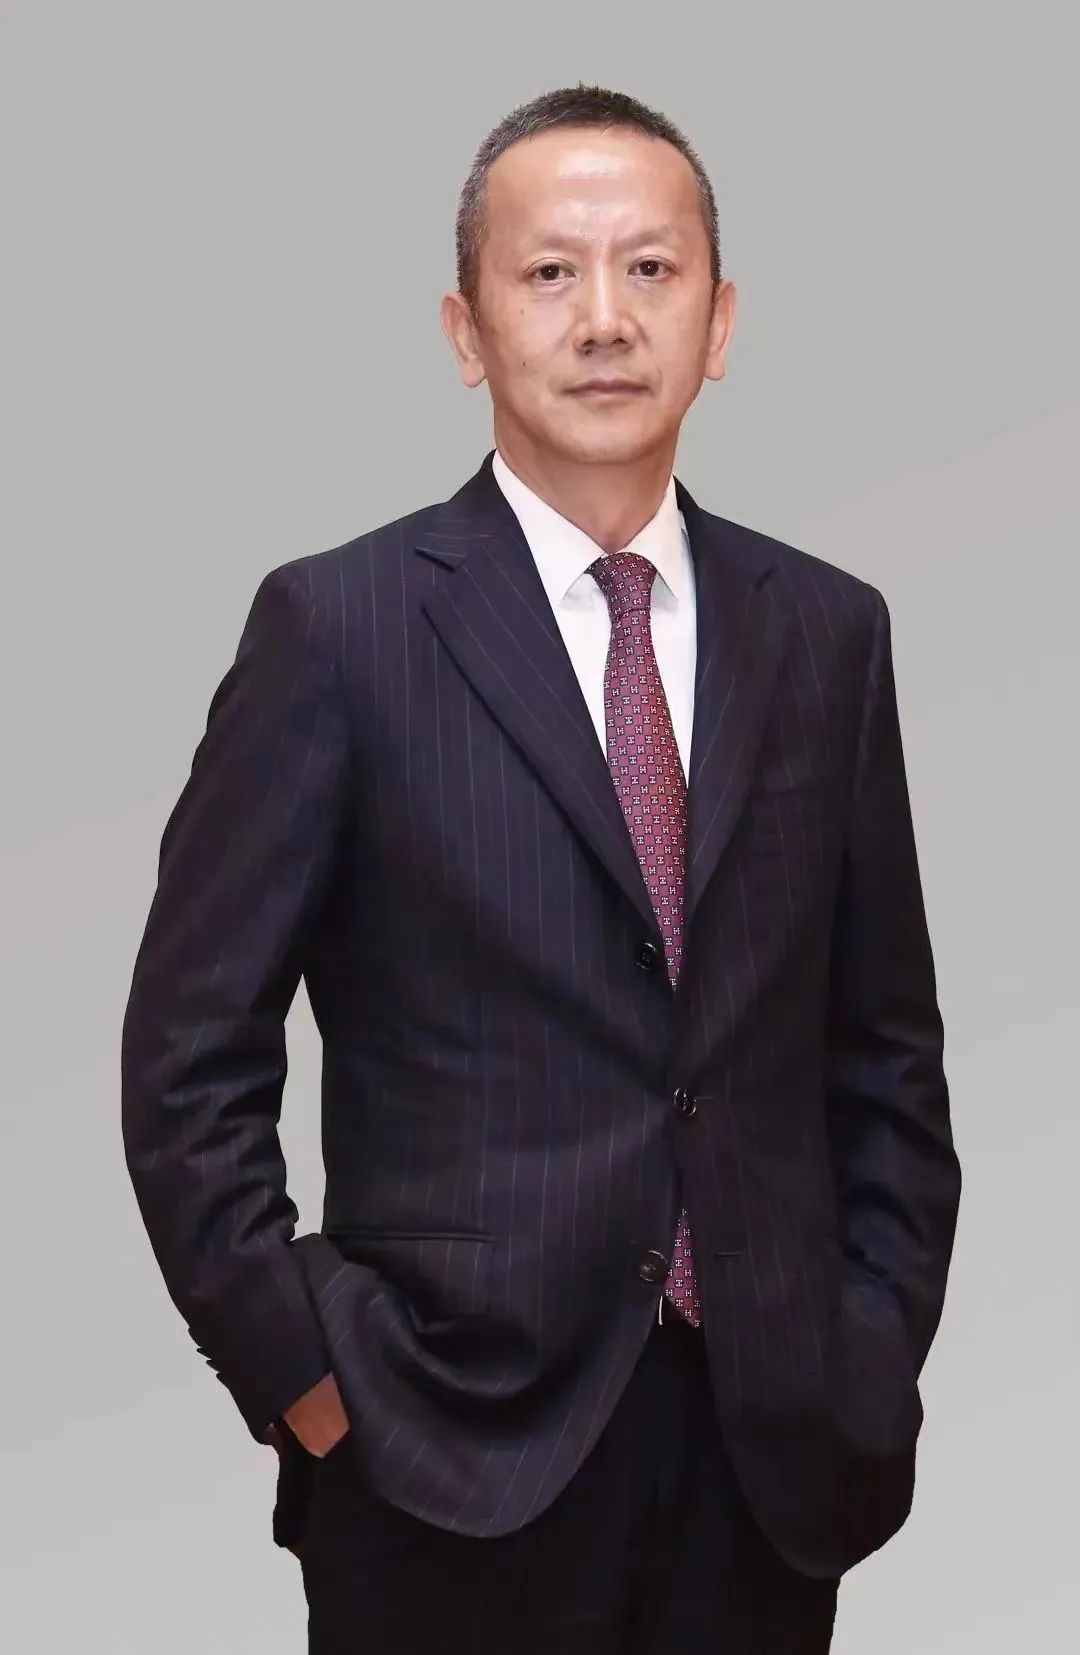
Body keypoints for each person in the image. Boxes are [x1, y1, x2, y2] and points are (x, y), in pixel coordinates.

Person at [121, 82, 961, 1654]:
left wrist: (866, 1352)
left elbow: (887, 1053)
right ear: (465, 329)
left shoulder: (827, 632)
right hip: (439, 1449)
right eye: (550, 272)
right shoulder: (339, 629)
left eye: (651, 269)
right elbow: (187, 1066)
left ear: (720, 323)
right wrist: (308, 1384)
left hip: (766, 1453)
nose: (605, 319)